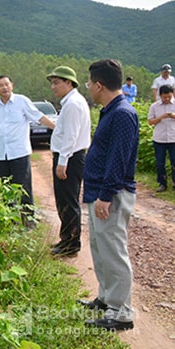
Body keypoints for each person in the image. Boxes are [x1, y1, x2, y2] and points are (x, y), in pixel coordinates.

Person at [80, 59, 139, 331]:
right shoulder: (110, 111)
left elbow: (119, 159)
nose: (88, 87)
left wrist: (106, 195)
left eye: (89, 83)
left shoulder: (122, 114)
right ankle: (106, 298)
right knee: (100, 247)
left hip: (110, 194)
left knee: (114, 251)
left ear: (99, 85)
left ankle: (122, 312)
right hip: (98, 191)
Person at [0, 75, 55, 228]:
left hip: (20, 153)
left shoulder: (22, 101)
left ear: (12, 85)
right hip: (3, 154)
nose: (4, 87)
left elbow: (39, 117)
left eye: (7, 84)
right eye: (0, 85)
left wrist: (57, 128)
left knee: (24, 187)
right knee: (7, 188)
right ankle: (11, 222)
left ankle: (29, 222)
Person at [45, 66, 91, 257]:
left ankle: (70, 244)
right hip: (71, 156)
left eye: (57, 83)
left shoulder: (72, 104)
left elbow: (70, 136)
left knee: (68, 201)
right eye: (52, 83)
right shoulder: (72, 102)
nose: (53, 87)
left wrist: (62, 162)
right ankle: (66, 239)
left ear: (69, 83)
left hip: (70, 158)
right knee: (64, 199)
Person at [147, 84, 175, 192]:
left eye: (169, 96)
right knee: (160, 163)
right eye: (165, 97)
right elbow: (150, 122)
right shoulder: (154, 106)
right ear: (160, 96)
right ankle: (162, 183)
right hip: (160, 138)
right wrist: (161, 117)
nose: (167, 99)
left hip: (173, 138)